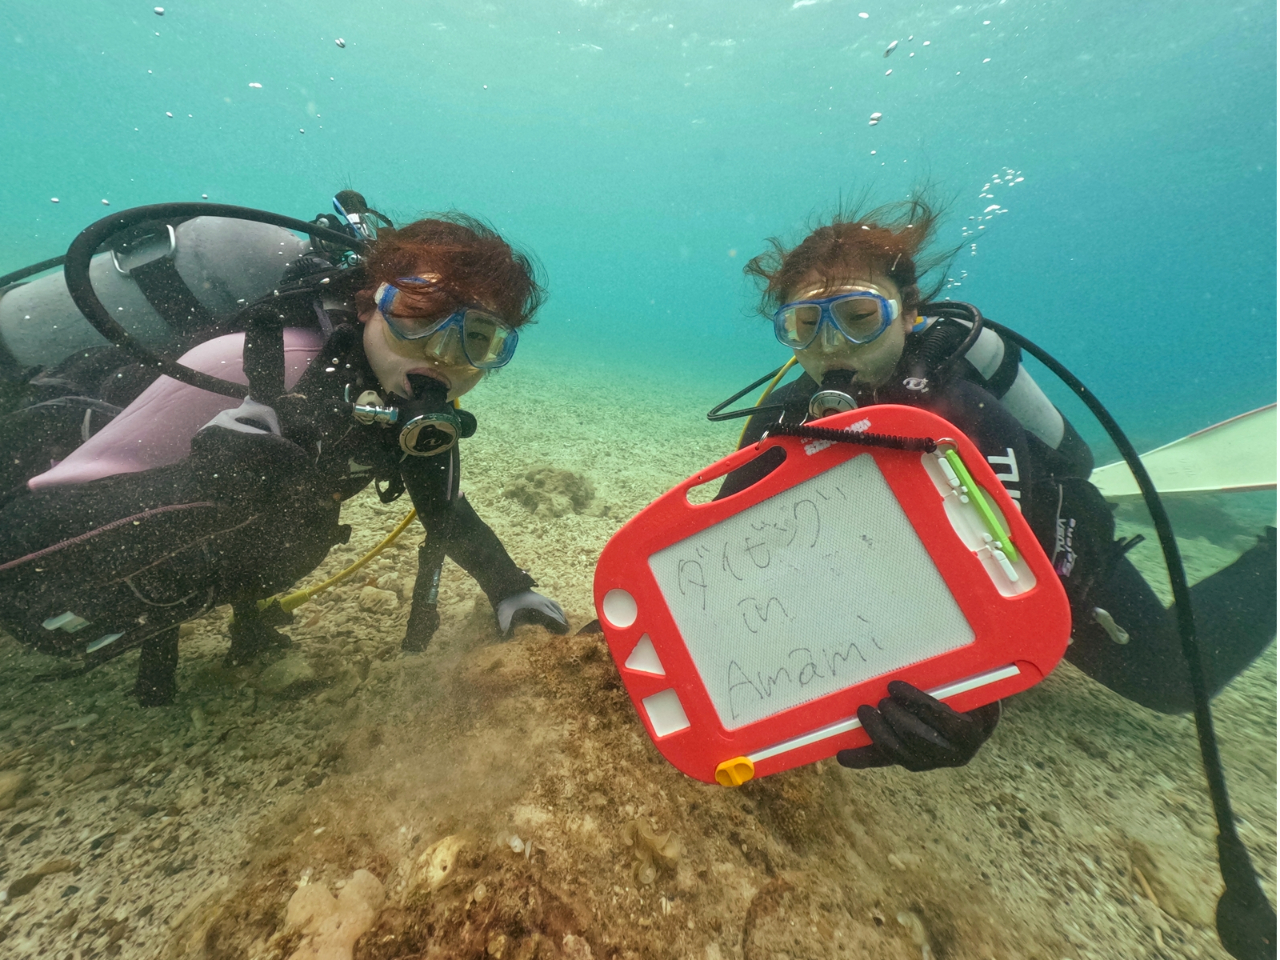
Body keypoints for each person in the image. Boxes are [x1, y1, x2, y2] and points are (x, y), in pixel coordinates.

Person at [717, 198, 1277, 772]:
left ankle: (1271, 558)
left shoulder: (967, 412)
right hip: (902, 550)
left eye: (861, 317)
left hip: (1046, 538)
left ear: (908, 314)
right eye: (805, 325)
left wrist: (979, 700)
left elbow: (1002, 577)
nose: (832, 346)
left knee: (1172, 679)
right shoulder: (782, 419)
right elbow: (720, 548)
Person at [0, 209, 570, 706]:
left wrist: (510, 589)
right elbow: (39, 510)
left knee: (290, 514)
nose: (444, 355)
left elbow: (445, 512)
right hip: (45, 441)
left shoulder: (414, 409)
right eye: (417, 314)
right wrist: (205, 478)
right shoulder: (252, 366)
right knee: (284, 512)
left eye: (480, 340)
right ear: (367, 305)